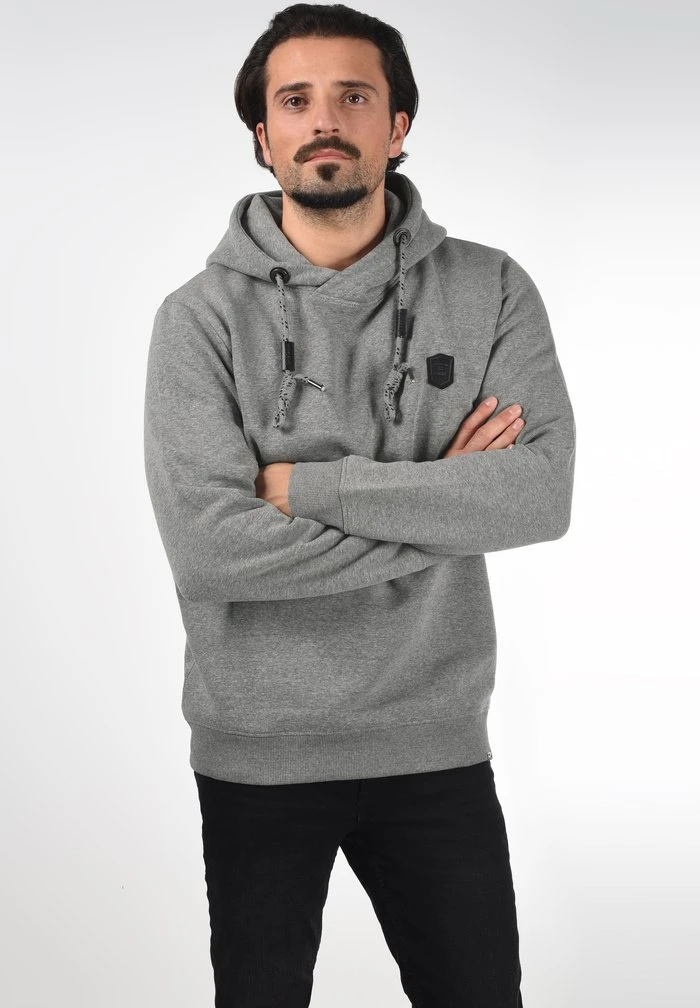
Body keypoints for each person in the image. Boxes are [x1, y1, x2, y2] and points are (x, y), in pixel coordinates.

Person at [143, 4, 576, 1005]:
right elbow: (212, 553)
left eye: (353, 96)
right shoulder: (198, 320)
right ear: (263, 133)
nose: (324, 120)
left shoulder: (490, 289)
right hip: (258, 755)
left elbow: (539, 494)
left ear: (398, 124)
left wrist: (312, 488)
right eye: (296, 101)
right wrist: (448, 505)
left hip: (436, 746)